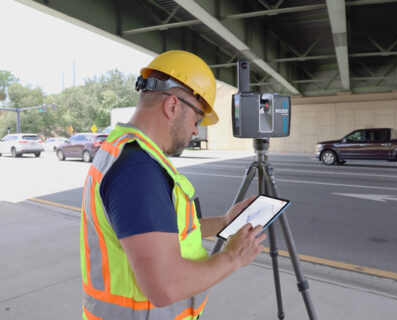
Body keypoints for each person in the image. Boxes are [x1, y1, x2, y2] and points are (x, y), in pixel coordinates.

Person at [80, 50, 266, 320]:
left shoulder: (130, 153)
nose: (195, 130)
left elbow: (164, 233)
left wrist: (225, 221)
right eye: (197, 119)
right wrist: (234, 257)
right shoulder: (137, 170)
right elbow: (164, 287)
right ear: (173, 106)